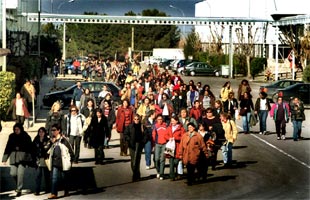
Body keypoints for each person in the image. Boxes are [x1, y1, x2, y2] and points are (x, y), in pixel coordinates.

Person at [2, 123, 34, 197]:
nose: (16, 131)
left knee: (20, 174)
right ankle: (18, 184)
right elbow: (8, 147)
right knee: (13, 173)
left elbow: (30, 148)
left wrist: (31, 159)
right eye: (15, 129)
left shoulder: (26, 136)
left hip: (22, 158)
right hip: (13, 158)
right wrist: (4, 159)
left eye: (17, 129)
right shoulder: (11, 136)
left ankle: (19, 189)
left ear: (21, 129)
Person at [46, 124, 74, 199]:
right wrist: (51, 143)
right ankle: (54, 193)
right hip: (55, 162)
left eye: (54, 130)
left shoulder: (64, 140)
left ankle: (66, 190)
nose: (53, 132)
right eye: (52, 130)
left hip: (63, 162)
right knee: (54, 178)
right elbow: (46, 150)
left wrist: (70, 161)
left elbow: (71, 151)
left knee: (64, 177)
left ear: (59, 130)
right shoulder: (51, 140)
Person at [124, 115, 146, 181]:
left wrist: (143, 142)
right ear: (133, 119)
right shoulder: (130, 127)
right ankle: (135, 174)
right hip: (132, 145)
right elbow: (126, 134)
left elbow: (146, 135)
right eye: (135, 119)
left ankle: (137, 175)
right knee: (133, 160)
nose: (136, 120)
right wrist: (129, 139)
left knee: (137, 160)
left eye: (137, 119)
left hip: (139, 145)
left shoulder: (142, 127)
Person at [165, 115, 185, 181]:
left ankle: (178, 173)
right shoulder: (169, 127)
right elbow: (165, 135)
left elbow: (183, 137)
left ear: (177, 121)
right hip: (170, 146)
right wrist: (169, 138)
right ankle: (172, 176)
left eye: (173, 121)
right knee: (171, 161)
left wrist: (175, 138)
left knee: (176, 160)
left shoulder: (181, 128)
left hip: (177, 146)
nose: (172, 122)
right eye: (171, 121)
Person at [33, 127, 50, 195]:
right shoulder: (36, 139)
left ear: (45, 132)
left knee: (47, 176)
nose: (41, 133)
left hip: (45, 159)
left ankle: (48, 189)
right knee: (38, 176)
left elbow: (47, 149)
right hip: (38, 160)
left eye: (42, 132)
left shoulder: (48, 140)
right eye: (39, 132)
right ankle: (37, 190)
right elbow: (33, 148)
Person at [152, 114, 168, 180]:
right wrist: (153, 145)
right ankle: (158, 171)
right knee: (156, 159)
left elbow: (168, 133)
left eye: (161, 119)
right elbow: (153, 135)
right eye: (158, 119)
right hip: (157, 144)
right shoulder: (155, 126)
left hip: (164, 144)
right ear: (156, 120)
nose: (160, 121)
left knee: (162, 160)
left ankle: (162, 174)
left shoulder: (165, 125)